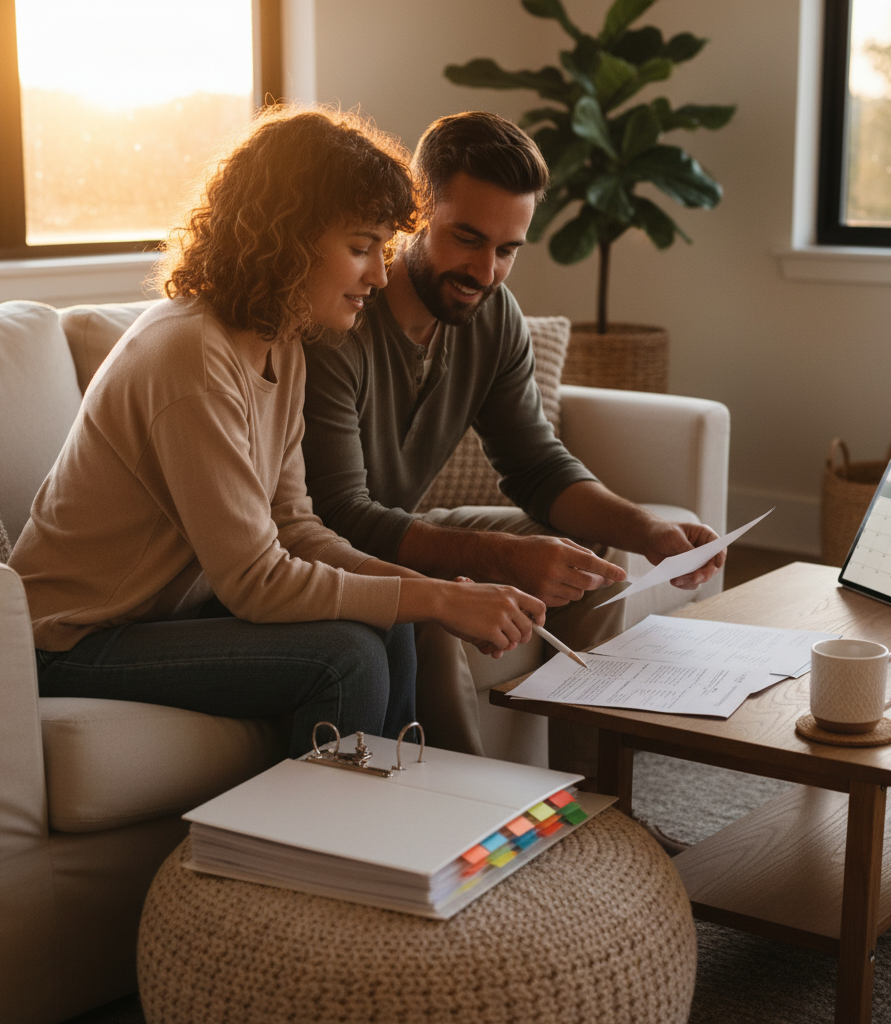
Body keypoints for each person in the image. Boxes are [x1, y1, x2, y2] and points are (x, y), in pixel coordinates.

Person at [9, 105, 546, 760]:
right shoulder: (191, 356)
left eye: (381, 248)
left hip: (158, 619)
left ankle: (401, 821)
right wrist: (431, 595)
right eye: (360, 248)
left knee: (397, 623)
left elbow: (295, 526)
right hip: (66, 642)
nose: (380, 274)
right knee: (346, 657)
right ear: (289, 239)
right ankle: (321, 853)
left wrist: (430, 598)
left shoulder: (282, 343)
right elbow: (256, 581)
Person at [302, 111, 724, 775]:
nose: (486, 271)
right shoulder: (340, 320)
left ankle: (589, 795)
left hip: (408, 527)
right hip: (337, 553)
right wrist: (496, 554)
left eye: (507, 249)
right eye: (466, 239)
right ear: (414, 215)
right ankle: (470, 810)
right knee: (433, 606)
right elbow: (339, 516)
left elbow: (535, 466)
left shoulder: (495, 317)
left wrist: (645, 530)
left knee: (587, 557)